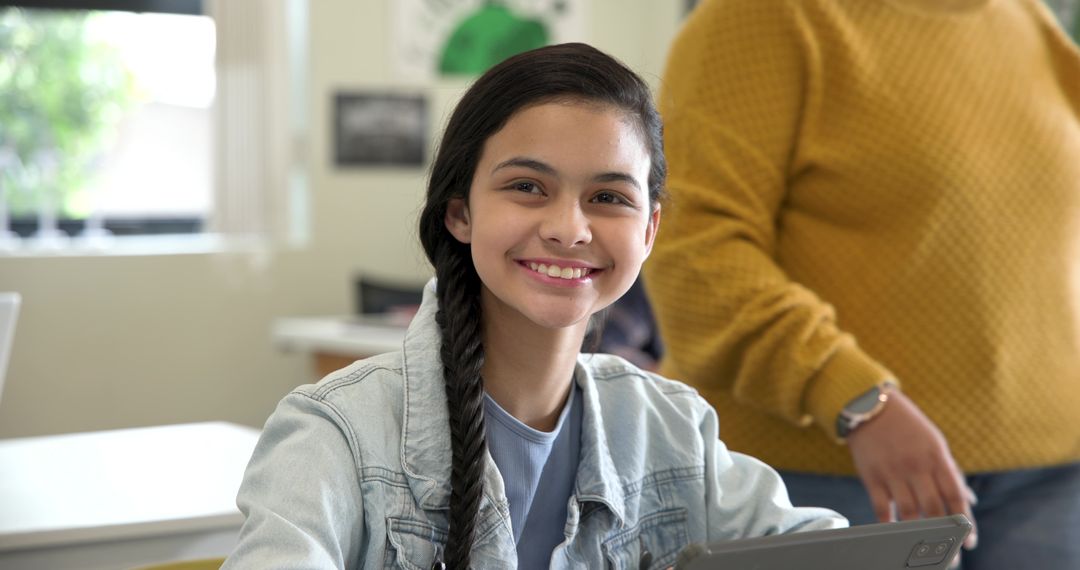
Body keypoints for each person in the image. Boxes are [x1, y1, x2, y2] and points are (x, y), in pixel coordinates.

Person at [223, 43, 844, 569]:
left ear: (650, 230)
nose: (569, 229)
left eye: (608, 196)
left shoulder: (673, 428)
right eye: (527, 187)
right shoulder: (335, 433)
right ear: (460, 213)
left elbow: (830, 549)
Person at [643, 0, 1080, 568]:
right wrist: (853, 396)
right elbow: (693, 254)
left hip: (1052, 476)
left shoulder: (1024, 17)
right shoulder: (762, 18)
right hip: (821, 476)